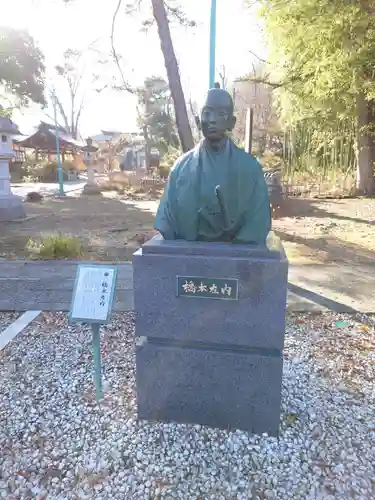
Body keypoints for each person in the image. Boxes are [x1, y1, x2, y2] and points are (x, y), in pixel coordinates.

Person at [154, 88, 271, 245]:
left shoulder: (251, 169)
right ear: (198, 121)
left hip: (235, 262)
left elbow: (258, 223)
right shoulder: (180, 169)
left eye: (221, 114)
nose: (213, 120)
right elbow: (166, 222)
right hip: (189, 258)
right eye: (207, 113)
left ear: (232, 122)